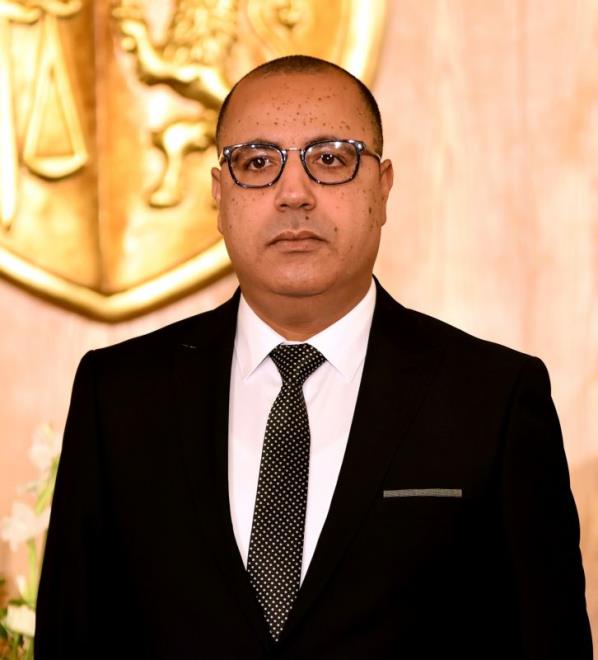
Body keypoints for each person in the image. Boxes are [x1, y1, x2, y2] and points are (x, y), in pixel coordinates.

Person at [35, 55, 592, 659]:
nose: (294, 194)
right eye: (257, 162)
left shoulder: (493, 398)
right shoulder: (119, 396)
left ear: (382, 188)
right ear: (219, 196)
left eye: (329, 159)